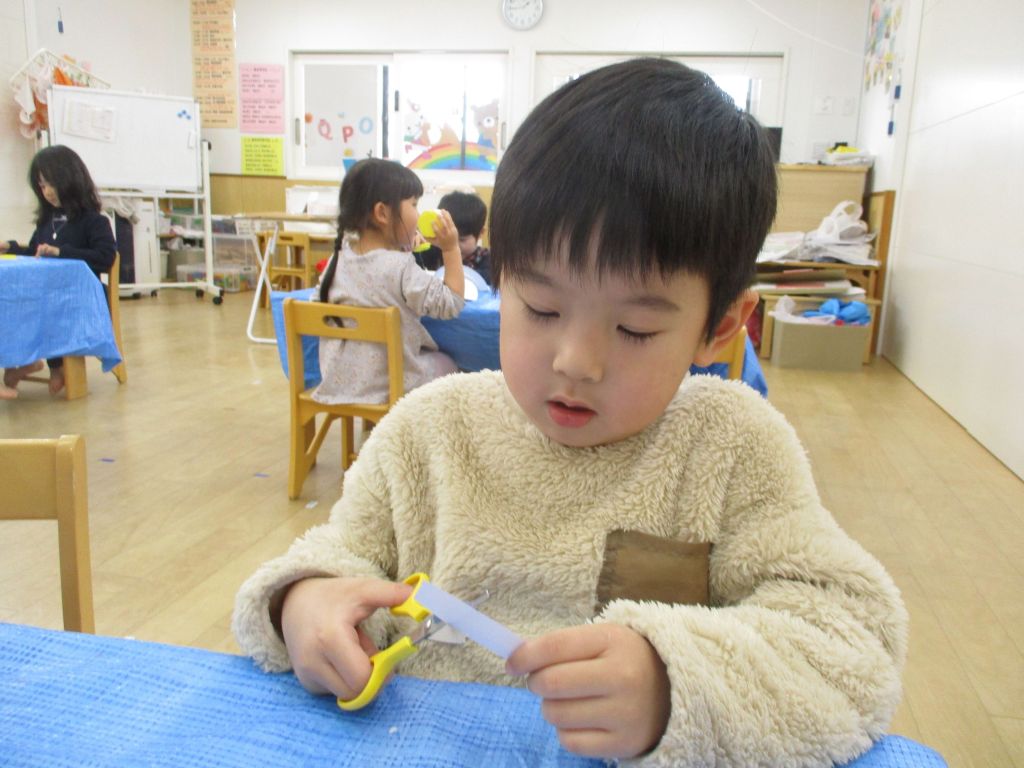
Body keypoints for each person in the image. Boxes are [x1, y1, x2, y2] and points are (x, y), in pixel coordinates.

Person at [233, 59, 907, 766]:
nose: (576, 362)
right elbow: (337, 555)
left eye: (635, 329)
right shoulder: (429, 431)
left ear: (720, 327)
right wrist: (303, 603)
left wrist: (676, 684)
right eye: (543, 308)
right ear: (502, 279)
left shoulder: (732, 447)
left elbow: (851, 647)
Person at [312, 158, 465, 404]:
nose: (418, 213)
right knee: (448, 363)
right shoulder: (400, 267)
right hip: (394, 386)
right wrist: (451, 249)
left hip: (339, 384)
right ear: (382, 213)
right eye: (414, 204)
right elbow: (451, 303)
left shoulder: (337, 260)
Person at [1, 145, 116, 399]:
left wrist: (60, 251)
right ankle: (23, 361)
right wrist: (9, 246)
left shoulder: (95, 221)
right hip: (50, 296)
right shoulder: (47, 221)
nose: (47, 192)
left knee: (44, 305)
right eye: (42, 186)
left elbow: (105, 257)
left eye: (51, 183)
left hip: (82, 299)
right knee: (14, 300)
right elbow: (34, 252)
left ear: (71, 179)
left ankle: (50, 366)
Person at [414, 190, 492, 285]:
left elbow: (483, 281)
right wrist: (414, 245)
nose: (453, 243)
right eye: (447, 236)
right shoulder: (436, 250)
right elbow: (415, 266)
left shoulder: (488, 260)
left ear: (480, 233)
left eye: (461, 239)